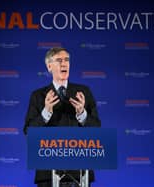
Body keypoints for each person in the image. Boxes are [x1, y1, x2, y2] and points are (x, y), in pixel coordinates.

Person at [24, 47, 101, 187]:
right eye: (59, 60)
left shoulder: (83, 92)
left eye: (66, 60)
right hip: (47, 172)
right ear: (49, 66)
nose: (64, 64)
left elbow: (97, 129)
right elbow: (28, 132)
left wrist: (82, 114)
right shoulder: (38, 96)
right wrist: (46, 112)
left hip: (80, 172)